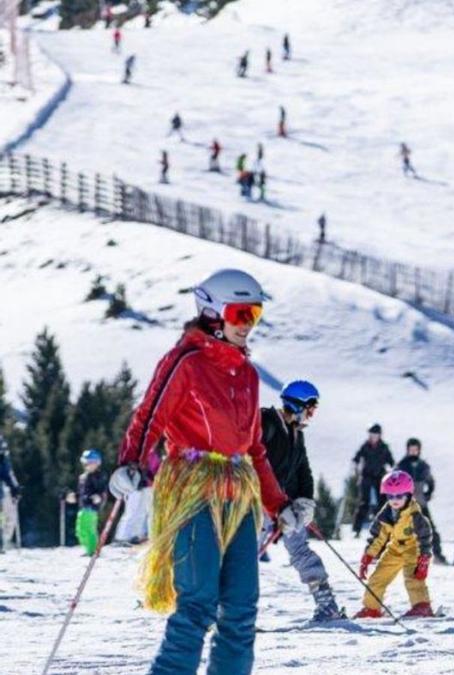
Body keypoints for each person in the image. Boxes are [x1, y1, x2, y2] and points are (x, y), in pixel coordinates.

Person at [107, 268, 288, 674]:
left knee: (241, 606)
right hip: (193, 487)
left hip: (239, 493)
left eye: (254, 315)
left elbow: (254, 448)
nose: (248, 325)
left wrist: (280, 504)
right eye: (241, 314)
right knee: (199, 601)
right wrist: (129, 463)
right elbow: (149, 416)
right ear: (212, 313)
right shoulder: (185, 362)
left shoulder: (248, 373)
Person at [259, 380, 344, 622]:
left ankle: (326, 605)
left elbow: (303, 471)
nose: (312, 414)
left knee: (300, 550)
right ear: (298, 405)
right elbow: (254, 462)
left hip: (286, 507)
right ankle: (223, 610)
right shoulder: (266, 422)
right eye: (311, 408)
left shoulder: (297, 434)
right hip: (257, 504)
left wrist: (305, 501)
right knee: (244, 554)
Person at [356, 470, 436, 618]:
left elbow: (425, 537)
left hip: (414, 548)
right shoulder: (386, 514)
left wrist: (424, 558)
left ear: (408, 495)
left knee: (413, 577)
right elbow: (377, 536)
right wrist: (368, 557)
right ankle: (372, 608)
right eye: (390, 496)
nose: (395, 500)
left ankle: (422, 606)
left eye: (399, 496)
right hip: (395, 548)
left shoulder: (415, 516)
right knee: (377, 577)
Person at [396, 437, 448, 564]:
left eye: (416, 449)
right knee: (399, 531)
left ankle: (438, 556)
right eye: (411, 449)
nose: (413, 452)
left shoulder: (423, 466)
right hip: (405, 505)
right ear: (407, 450)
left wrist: (428, 494)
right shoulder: (402, 465)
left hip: (421, 504)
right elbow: (394, 482)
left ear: (419, 450)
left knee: (430, 529)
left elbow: (431, 482)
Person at [352, 423, 395, 537]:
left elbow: (391, 461)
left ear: (379, 435)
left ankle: (381, 527)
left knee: (381, 502)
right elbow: (357, 457)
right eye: (371, 434)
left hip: (379, 477)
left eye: (375, 434)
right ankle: (357, 529)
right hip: (366, 476)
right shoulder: (365, 446)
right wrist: (355, 464)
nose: (373, 437)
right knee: (364, 502)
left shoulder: (384, 447)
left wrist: (391, 468)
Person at [75, 449, 107, 555]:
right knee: (80, 530)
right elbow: (80, 493)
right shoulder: (83, 477)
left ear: (98, 463)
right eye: (87, 463)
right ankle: (88, 549)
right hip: (83, 506)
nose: (89, 465)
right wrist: (72, 497)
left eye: (92, 462)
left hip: (92, 508)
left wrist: (99, 498)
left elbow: (102, 491)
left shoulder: (98, 476)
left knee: (89, 529)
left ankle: (94, 550)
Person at [0, 436, 21, 552]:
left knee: (2, 519)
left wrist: (14, 488)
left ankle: (2, 542)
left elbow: (7, 474)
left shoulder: (2, 458)